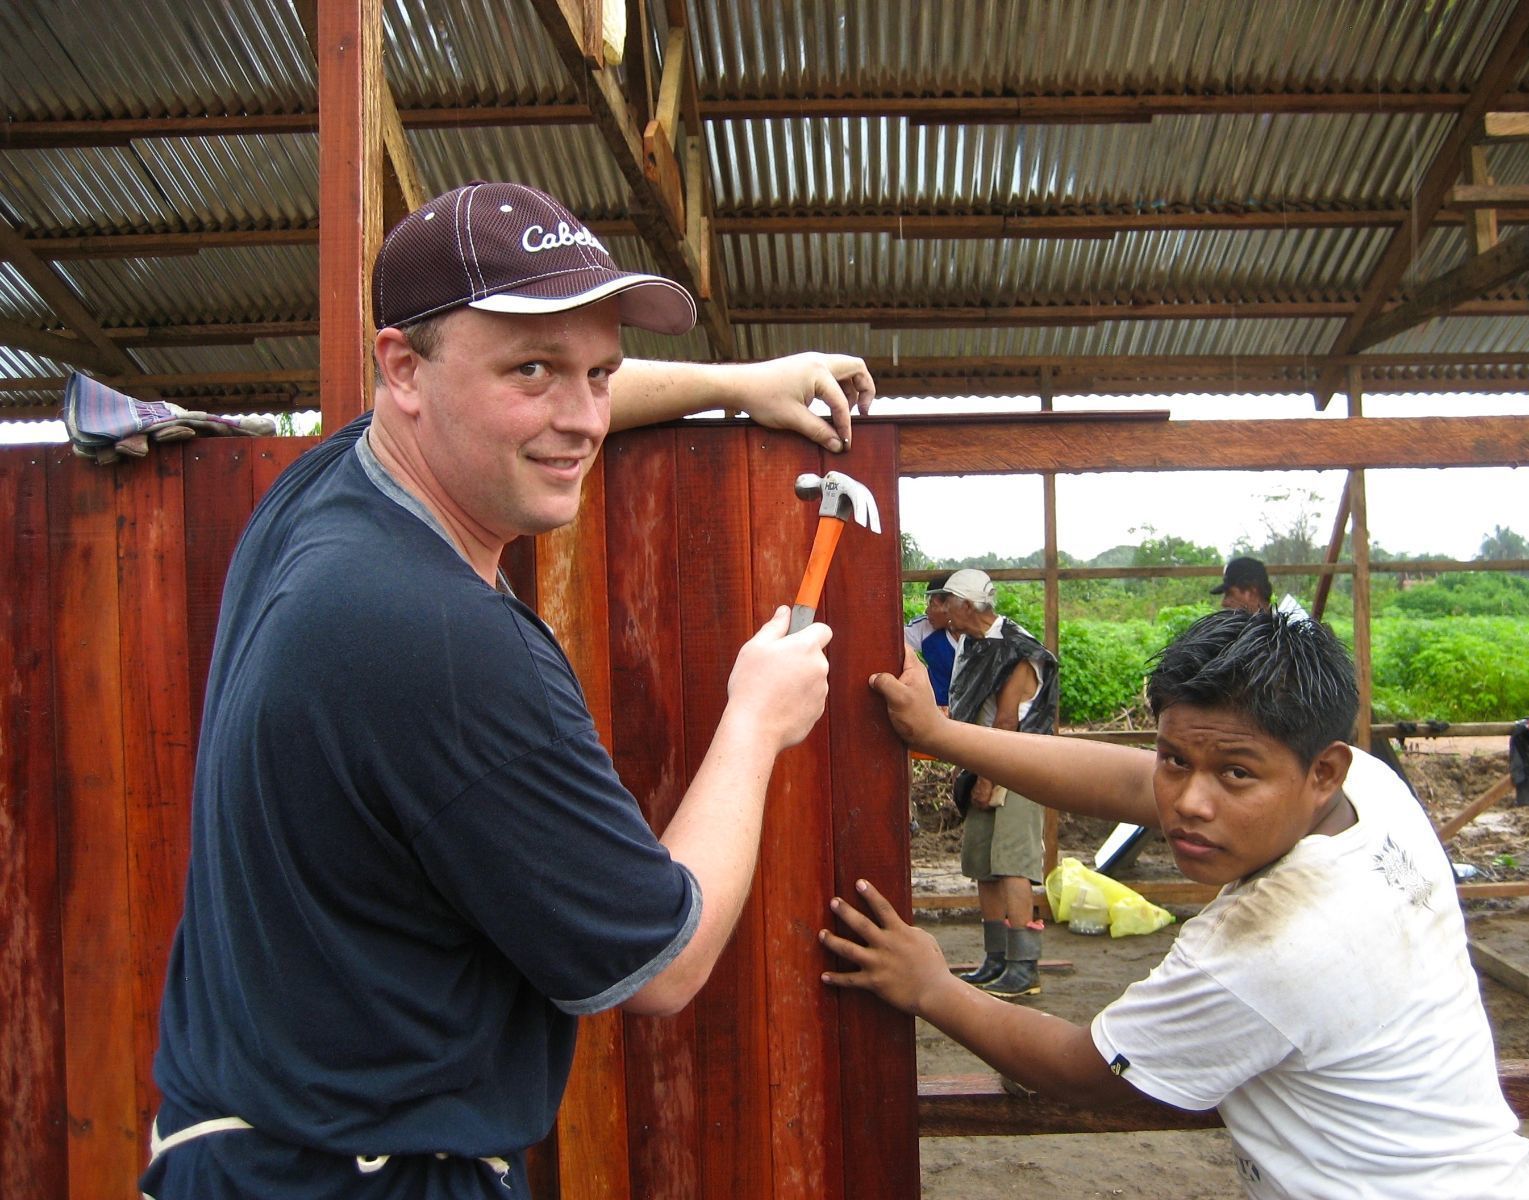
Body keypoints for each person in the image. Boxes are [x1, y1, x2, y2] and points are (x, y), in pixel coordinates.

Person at [139, 180, 875, 1200]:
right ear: (402, 367)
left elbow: (538, 410)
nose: (581, 418)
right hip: (366, 1179)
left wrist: (739, 382)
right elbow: (663, 963)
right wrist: (755, 719)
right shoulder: (439, 641)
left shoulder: (324, 497)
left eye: (601, 373)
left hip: (231, 1146)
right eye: (533, 370)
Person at [824, 608, 1529, 1200]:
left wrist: (931, 987)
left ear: (1320, 770)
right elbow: (1131, 783)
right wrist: (942, 734)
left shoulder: (1270, 945)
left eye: (1235, 773)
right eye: (1177, 758)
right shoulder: (1367, 788)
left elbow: (1087, 1070)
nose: (1189, 804)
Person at [937, 568, 1059, 998]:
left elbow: (1007, 722)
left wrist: (988, 778)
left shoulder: (1017, 650)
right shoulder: (974, 643)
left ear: (968, 605)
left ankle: (1024, 967)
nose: (943, 610)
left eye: (948, 602)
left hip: (1018, 765)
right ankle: (996, 960)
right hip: (984, 761)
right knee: (983, 865)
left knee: (1012, 864)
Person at [903, 571, 959, 705]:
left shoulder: (985, 638)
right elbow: (890, 644)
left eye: (933, 604)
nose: (927, 611)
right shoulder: (924, 627)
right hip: (934, 712)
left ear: (952, 606)